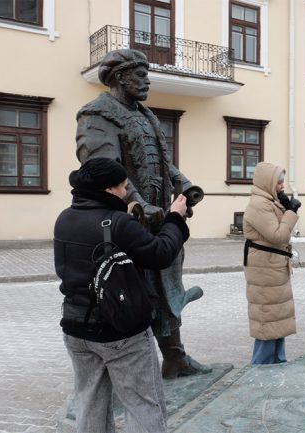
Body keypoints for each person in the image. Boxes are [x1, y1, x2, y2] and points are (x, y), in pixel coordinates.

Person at [75, 49, 210, 379]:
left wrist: (185, 185)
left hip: (158, 219)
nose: (148, 80)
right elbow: (105, 167)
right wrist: (138, 203)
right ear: (121, 77)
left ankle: (175, 358)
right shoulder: (97, 114)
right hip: (122, 223)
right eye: (141, 74)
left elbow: (163, 162)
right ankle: (124, 374)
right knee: (129, 295)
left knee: (164, 287)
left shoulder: (146, 116)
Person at [55, 158, 190, 432]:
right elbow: (161, 253)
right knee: (143, 404)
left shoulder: (64, 218)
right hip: (121, 333)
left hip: (76, 329)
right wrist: (175, 217)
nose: (126, 192)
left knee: (90, 404)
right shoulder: (117, 223)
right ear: (108, 190)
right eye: (123, 187)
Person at [242, 162, 300, 364]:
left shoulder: (269, 201)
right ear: (267, 183)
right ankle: (260, 369)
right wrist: (290, 212)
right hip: (265, 271)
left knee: (277, 320)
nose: (282, 186)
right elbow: (278, 235)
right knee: (267, 321)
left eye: (283, 181)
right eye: (279, 182)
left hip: (273, 268)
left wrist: (284, 206)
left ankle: (278, 363)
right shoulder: (259, 205)